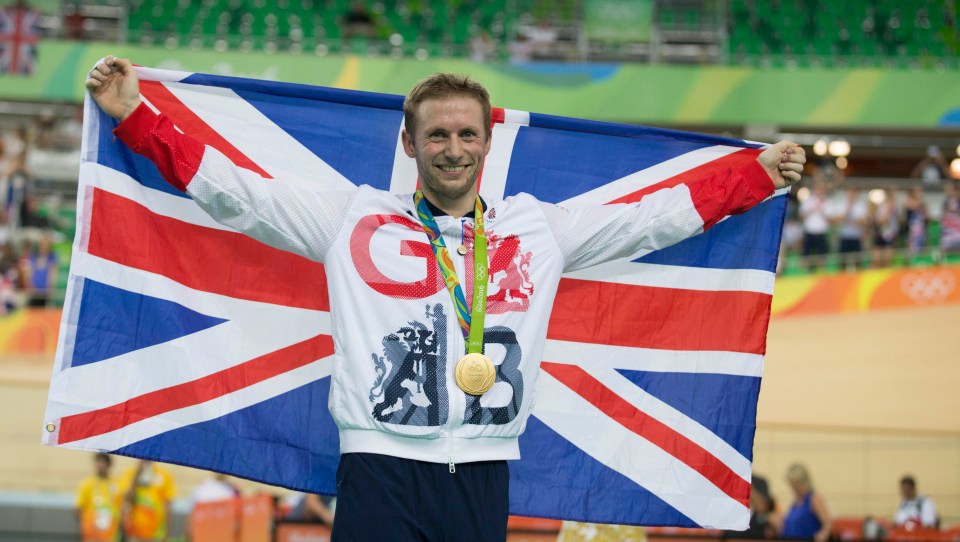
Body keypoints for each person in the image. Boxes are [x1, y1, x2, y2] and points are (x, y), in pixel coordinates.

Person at [85, 55, 806, 541]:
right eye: (437, 135)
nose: (452, 148)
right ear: (409, 142)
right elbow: (233, 191)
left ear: (488, 140)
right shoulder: (352, 219)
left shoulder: (537, 230)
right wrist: (134, 114)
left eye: (466, 133)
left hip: (482, 474)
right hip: (377, 471)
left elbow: (655, 217)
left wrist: (756, 177)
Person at [118, 460, 178, 542]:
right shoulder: (130, 473)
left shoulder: (164, 475)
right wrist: (136, 475)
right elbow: (125, 500)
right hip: (134, 533)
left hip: (155, 534)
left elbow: (168, 505)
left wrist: (168, 533)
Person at [75, 452, 121, 542]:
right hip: (91, 536)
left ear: (109, 465)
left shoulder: (117, 483)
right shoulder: (87, 484)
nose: (101, 465)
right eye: (98, 462)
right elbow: (78, 509)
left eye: (104, 462)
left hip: (111, 535)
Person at [781, 463, 831, 542]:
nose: (791, 486)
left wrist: (822, 535)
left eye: (793, 483)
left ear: (801, 482)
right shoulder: (795, 502)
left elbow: (828, 524)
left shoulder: (814, 499)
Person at [829, 187, 868, 270]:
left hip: (856, 236)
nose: (852, 195)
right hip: (844, 236)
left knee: (858, 261)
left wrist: (854, 222)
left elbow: (864, 221)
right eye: (850, 193)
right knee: (842, 262)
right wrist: (848, 210)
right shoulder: (841, 204)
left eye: (854, 193)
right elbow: (836, 219)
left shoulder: (860, 205)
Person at [798, 181, 830, 270]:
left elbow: (832, 219)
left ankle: (820, 273)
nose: (819, 191)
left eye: (821, 189)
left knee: (822, 257)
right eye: (817, 189)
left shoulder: (827, 202)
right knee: (805, 257)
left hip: (821, 233)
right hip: (809, 232)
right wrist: (811, 210)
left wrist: (822, 211)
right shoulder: (808, 201)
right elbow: (801, 216)